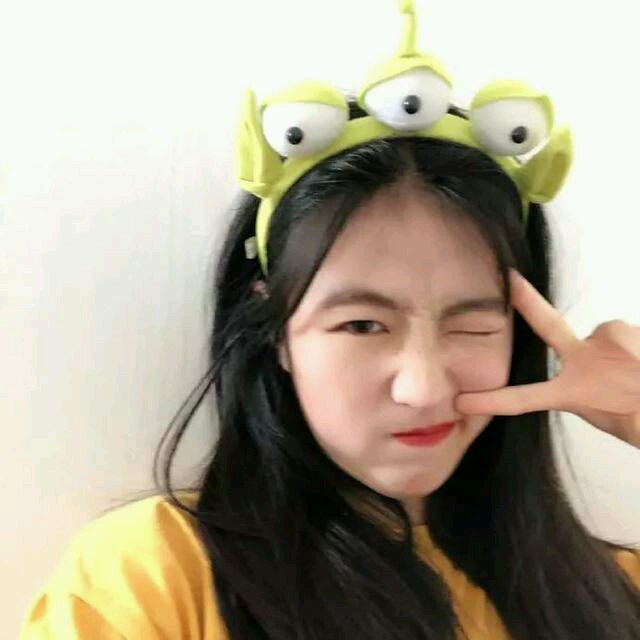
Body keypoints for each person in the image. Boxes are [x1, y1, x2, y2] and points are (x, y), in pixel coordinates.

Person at [20, 1, 640, 638]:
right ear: (276, 329)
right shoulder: (150, 578)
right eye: (362, 325)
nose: (423, 388)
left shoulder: (609, 593)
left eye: (472, 325)